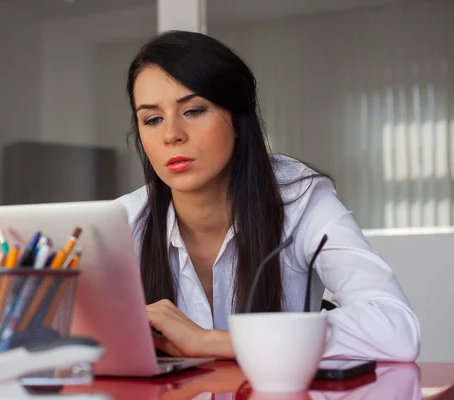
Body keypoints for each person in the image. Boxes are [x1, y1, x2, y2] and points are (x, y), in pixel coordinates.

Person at [116, 30, 420, 362]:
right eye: (152, 119)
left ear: (237, 117)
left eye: (194, 110)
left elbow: (397, 329)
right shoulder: (122, 223)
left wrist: (214, 342)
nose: (172, 134)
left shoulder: (299, 201)